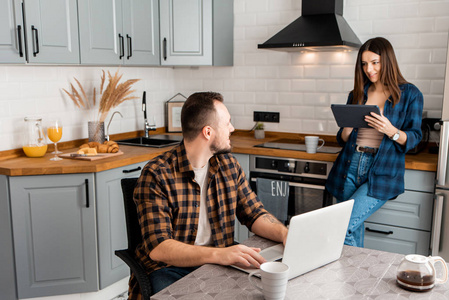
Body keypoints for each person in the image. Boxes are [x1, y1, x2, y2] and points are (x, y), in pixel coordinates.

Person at [129, 92, 288, 299]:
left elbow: (254, 214)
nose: (232, 128)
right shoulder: (157, 174)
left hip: (218, 263)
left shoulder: (228, 165)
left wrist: (286, 235)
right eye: (228, 123)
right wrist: (220, 255)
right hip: (168, 268)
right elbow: (160, 248)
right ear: (208, 132)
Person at [325, 37, 423, 248]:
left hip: (381, 170)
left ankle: (351, 278)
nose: (369, 69)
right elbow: (342, 138)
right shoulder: (357, 93)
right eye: (364, 63)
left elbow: (414, 137)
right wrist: (348, 128)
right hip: (349, 165)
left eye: (375, 62)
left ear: (387, 61)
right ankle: (352, 280)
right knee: (352, 227)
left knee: (343, 226)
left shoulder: (409, 94)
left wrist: (391, 131)